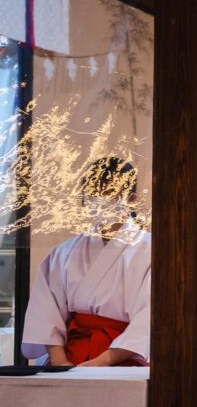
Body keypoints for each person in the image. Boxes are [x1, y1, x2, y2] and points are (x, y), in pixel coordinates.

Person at [21, 156, 151, 366]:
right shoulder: (63, 252)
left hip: (125, 357)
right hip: (70, 355)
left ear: (132, 198)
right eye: (93, 192)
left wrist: (103, 361)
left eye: (109, 192)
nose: (99, 199)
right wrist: (59, 359)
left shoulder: (151, 250)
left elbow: (149, 317)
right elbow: (45, 309)